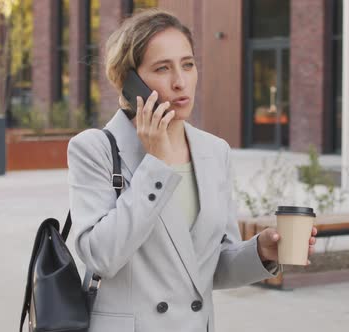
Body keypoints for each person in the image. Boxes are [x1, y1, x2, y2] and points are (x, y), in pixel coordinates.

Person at [67, 9, 317, 332]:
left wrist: (261, 251)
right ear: (131, 82)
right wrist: (156, 163)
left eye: (188, 64)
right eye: (162, 68)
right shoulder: (95, 149)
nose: (180, 82)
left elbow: (213, 267)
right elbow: (100, 256)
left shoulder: (215, 152)